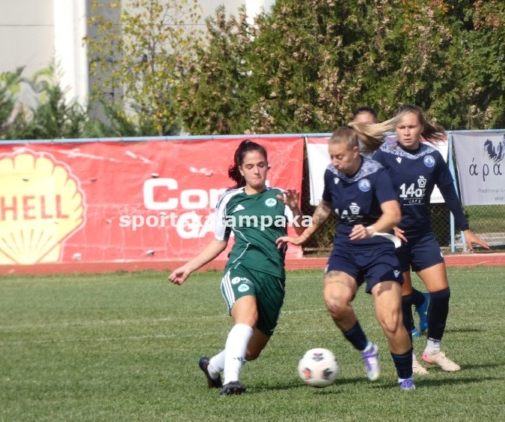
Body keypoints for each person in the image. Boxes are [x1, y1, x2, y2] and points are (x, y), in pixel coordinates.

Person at [277, 124, 416, 390]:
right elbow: (325, 206)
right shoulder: (332, 173)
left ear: (355, 151)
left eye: (340, 156)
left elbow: (393, 214)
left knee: (390, 321)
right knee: (334, 302)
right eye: (331, 156)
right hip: (346, 249)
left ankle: (405, 377)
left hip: (380, 248)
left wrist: (371, 229)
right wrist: (304, 236)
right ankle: (367, 349)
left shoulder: (376, 173)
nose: (335, 162)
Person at [168, 139, 305, 396]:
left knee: (251, 351)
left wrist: (296, 209)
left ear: (268, 166)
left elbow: (301, 233)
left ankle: (212, 366)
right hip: (241, 269)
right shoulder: (229, 199)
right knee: (247, 318)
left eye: (261, 165)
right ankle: (231, 381)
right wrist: (188, 267)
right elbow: (219, 241)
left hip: (273, 278)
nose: (256, 171)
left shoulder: (280, 197)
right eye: (250, 166)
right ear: (241, 170)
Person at [371, 104, 490, 374]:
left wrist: (465, 229)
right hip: (394, 239)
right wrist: (386, 224)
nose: (406, 132)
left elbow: (449, 192)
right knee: (403, 299)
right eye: (401, 127)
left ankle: (433, 350)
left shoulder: (431, 157)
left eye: (411, 126)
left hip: (423, 236)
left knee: (441, 293)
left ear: (421, 127)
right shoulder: (384, 155)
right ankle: (408, 356)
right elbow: (369, 192)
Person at [354, 106, 431, 337]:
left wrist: (390, 220)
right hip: (368, 223)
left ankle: (408, 325)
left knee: (387, 280)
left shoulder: (388, 151)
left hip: (387, 223)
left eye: (370, 124)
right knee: (380, 280)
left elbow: (388, 193)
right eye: (361, 125)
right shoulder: (353, 153)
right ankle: (420, 301)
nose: (366, 129)